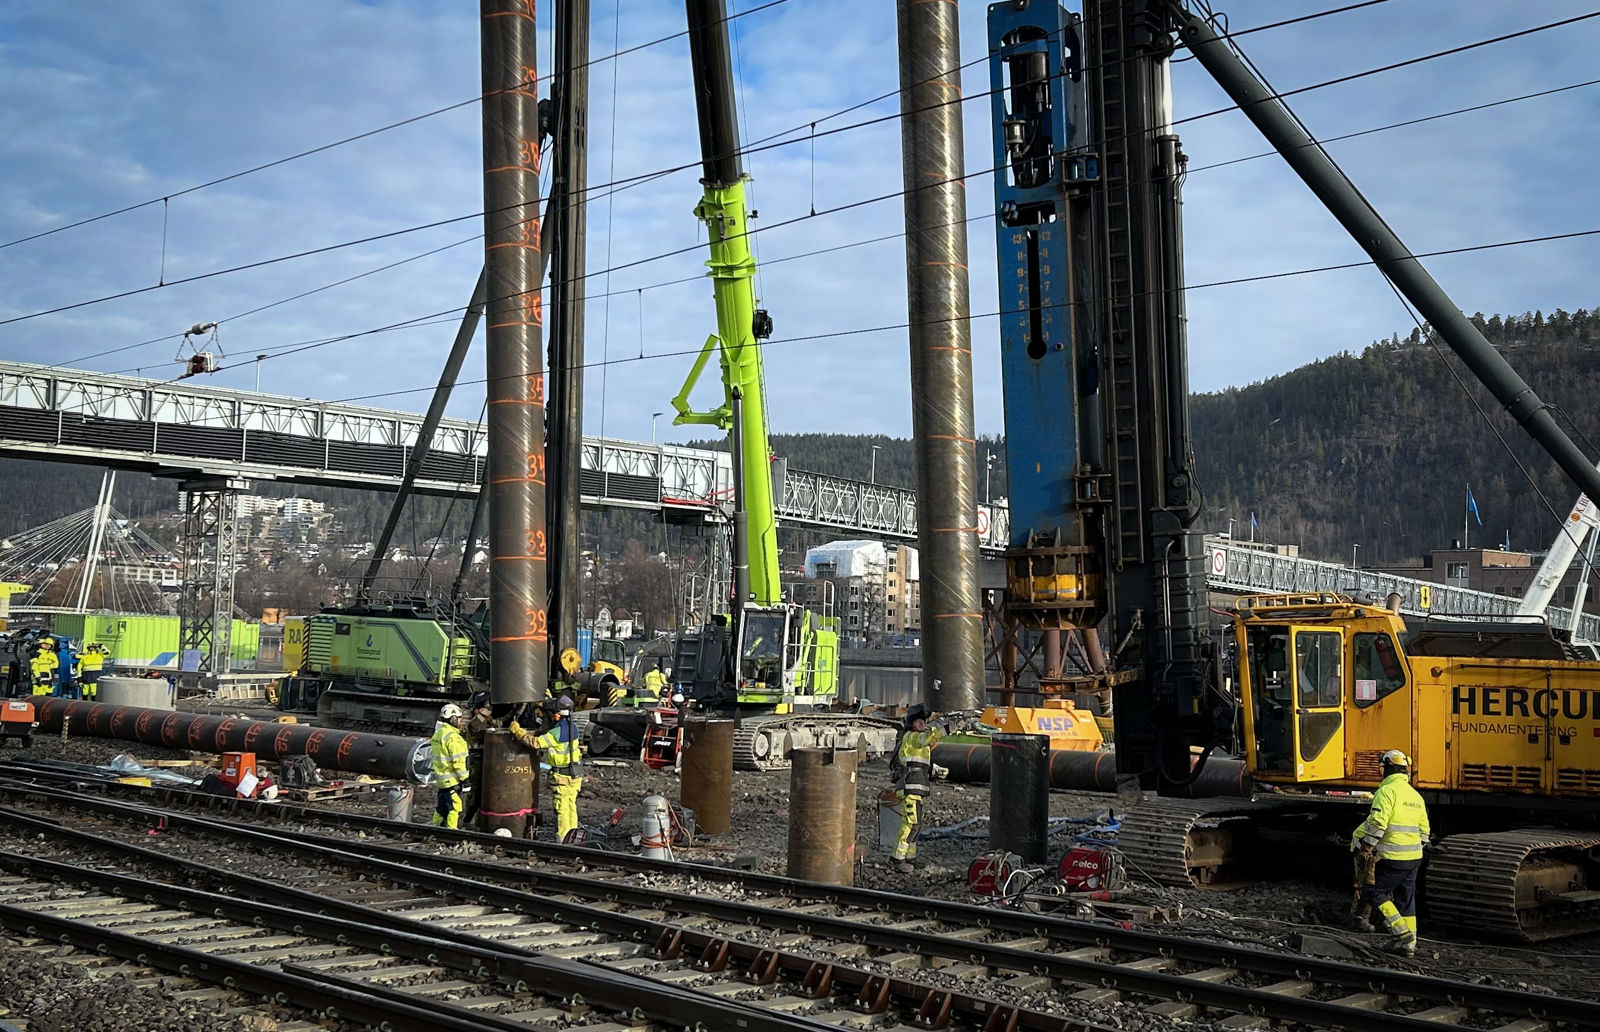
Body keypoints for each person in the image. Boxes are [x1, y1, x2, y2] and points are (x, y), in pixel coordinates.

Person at [1352, 748, 1430, 955]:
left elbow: (1378, 822)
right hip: (1414, 858)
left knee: (1373, 891)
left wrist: (1367, 847)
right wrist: (1413, 849)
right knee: (1406, 898)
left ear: (1386, 769)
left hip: (1393, 858)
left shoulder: (1386, 792)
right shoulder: (1415, 796)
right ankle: (1409, 946)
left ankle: (1401, 933)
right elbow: (1425, 832)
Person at [512, 695, 583, 843]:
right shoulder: (573, 728)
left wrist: (518, 732)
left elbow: (535, 743)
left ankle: (563, 840)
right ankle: (574, 837)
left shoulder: (555, 733)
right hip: (575, 775)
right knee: (571, 806)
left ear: (557, 715)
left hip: (562, 777)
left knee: (561, 808)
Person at [892, 704, 945, 867]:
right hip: (909, 788)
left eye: (923, 721)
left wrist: (937, 770)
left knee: (916, 825)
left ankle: (910, 857)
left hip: (916, 789)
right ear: (911, 724)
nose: (922, 724)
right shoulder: (911, 738)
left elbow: (920, 765)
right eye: (919, 722)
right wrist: (946, 728)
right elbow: (927, 738)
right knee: (910, 824)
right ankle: (897, 858)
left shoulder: (918, 745)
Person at [430, 702, 471, 830]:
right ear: (453, 719)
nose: (460, 721)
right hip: (453, 781)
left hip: (442, 781)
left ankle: (435, 829)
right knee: (456, 808)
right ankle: (452, 833)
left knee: (442, 808)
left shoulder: (439, 734)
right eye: (459, 718)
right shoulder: (453, 738)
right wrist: (465, 780)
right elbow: (458, 762)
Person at [460, 690, 495, 823]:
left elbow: (499, 723)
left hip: (486, 760)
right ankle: (467, 820)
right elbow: (475, 727)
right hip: (476, 761)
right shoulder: (474, 723)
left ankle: (480, 820)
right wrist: (483, 714)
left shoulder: (486, 721)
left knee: (486, 793)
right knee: (475, 794)